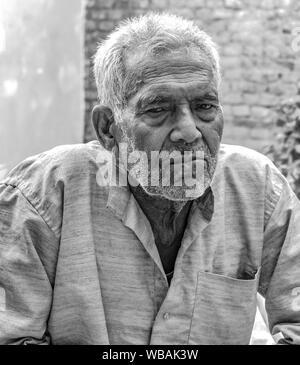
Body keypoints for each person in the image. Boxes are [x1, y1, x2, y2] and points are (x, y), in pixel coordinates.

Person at [0, 13, 299, 345]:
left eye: (205, 106)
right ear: (107, 128)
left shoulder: (258, 188)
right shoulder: (44, 197)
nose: (189, 131)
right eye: (158, 110)